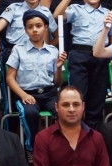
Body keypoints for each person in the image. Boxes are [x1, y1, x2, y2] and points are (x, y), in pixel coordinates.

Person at [53, 0, 112, 129]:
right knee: (78, 95)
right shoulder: (76, 9)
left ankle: (92, 136)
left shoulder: (108, 13)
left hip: (101, 57)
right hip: (79, 55)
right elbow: (57, 15)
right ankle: (75, 131)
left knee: (97, 98)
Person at [5, 11, 66, 155]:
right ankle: (31, 148)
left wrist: (58, 68)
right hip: (27, 94)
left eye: (38, 26)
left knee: (62, 111)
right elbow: (9, 78)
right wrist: (23, 95)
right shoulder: (18, 50)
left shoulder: (53, 51)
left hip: (49, 93)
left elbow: (58, 83)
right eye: (30, 27)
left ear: (46, 27)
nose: (34, 30)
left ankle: (58, 148)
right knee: (30, 113)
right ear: (25, 29)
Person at [32, 87, 111, 166]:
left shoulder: (96, 138)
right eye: (65, 105)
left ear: (83, 106)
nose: (71, 109)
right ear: (56, 107)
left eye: (76, 104)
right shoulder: (43, 138)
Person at [0, 0, 55, 64]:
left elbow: (57, 36)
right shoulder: (13, 8)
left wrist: (46, 49)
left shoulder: (46, 12)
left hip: (36, 54)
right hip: (12, 53)